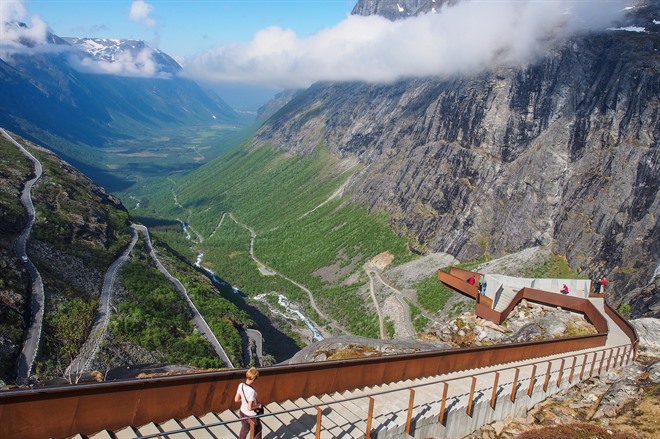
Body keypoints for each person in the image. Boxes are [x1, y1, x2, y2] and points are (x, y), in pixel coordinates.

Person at [235, 367, 263, 439]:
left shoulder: (241, 385)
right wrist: (258, 405)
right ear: (253, 379)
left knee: (244, 429)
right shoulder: (251, 391)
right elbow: (250, 408)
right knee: (258, 430)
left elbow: (236, 400)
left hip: (242, 412)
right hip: (251, 415)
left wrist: (244, 399)